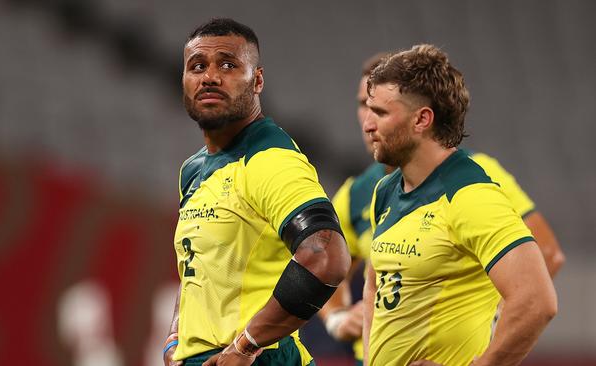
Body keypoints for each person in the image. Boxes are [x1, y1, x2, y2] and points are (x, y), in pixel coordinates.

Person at [320, 52, 565, 365]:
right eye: (365, 108)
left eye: (380, 112)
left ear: (422, 119)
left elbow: (536, 301)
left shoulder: (470, 195)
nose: (367, 125)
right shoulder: (383, 189)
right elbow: (374, 284)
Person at [164, 18, 350, 366]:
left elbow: (325, 254)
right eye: (197, 66)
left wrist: (246, 346)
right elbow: (199, 266)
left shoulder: (271, 160)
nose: (210, 77)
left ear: (258, 80)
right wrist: (176, 337)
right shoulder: (193, 170)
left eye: (229, 65)